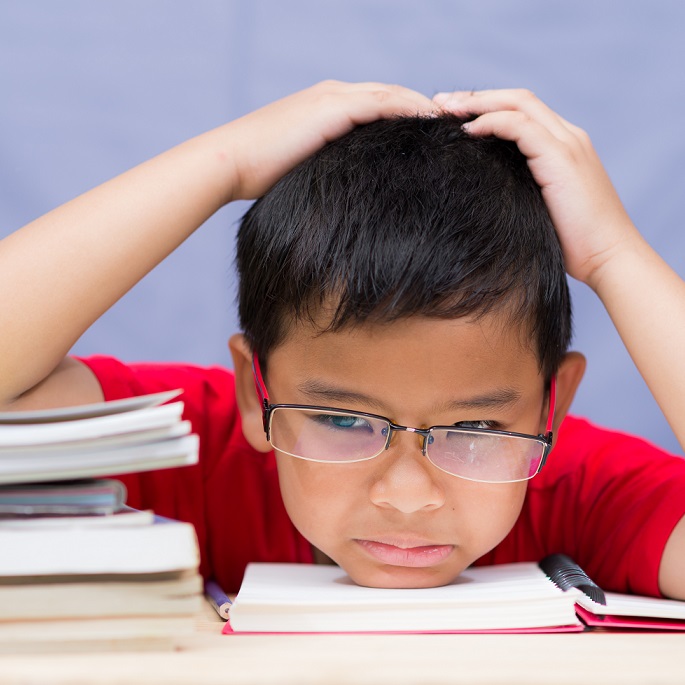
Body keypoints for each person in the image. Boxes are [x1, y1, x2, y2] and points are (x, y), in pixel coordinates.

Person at [1, 82, 683, 598]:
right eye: (338, 418)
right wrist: (224, 162)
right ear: (253, 389)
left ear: (549, 406)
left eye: (474, 424)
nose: (408, 496)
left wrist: (614, 255)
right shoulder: (193, 449)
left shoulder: (587, 491)